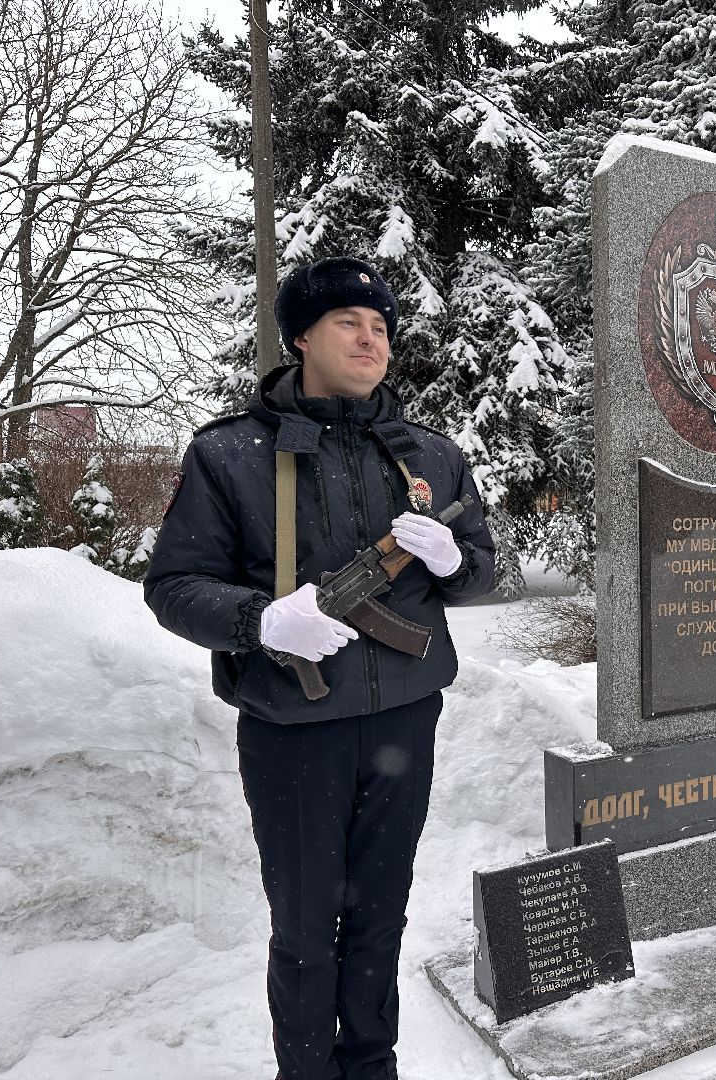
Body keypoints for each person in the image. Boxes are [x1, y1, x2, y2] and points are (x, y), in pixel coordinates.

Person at [144, 257, 495, 1079]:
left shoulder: (430, 459)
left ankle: (372, 1067)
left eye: (381, 328)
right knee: (305, 929)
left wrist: (453, 561)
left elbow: (485, 572)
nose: (370, 338)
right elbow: (172, 586)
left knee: (380, 920)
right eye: (349, 322)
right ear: (301, 337)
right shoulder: (231, 453)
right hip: (293, 732)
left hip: (407, 715)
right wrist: (261, 619)